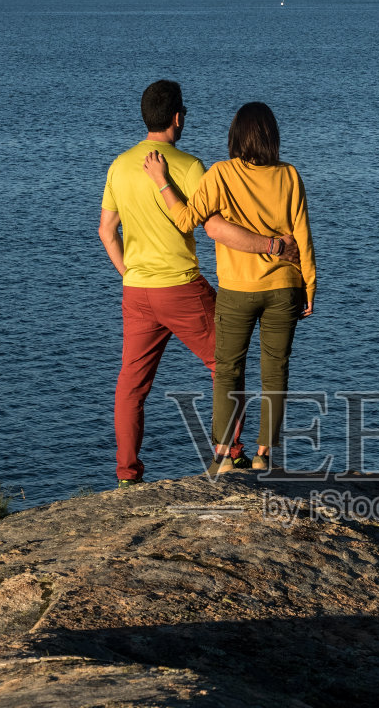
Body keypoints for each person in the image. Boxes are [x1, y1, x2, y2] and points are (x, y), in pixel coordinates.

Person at [99, 80, 299, 485]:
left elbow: (106, 230)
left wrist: (130, 273)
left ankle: (127, 474)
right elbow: (215, 227)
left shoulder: (119, 165)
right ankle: (233, 455)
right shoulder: (189, 167)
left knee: (132, 385)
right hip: (182, 287)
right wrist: (272, 245)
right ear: (177, 117)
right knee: (227, 366)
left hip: (136, 292)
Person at [144, 101, 316, 475]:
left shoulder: (221, 174)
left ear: (235, 135)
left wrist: (162, 180)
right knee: (275, 373)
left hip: (238, 289)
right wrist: (309, 286)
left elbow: (187, 220)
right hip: (285, 285)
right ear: (272, 135)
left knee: (228, 370)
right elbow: (302, 234)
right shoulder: (289, 174)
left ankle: (223, 455)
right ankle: (263, 455)